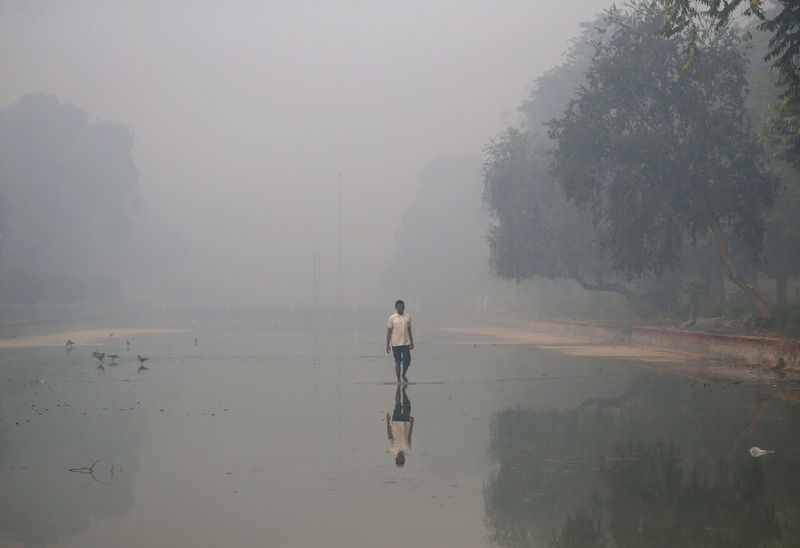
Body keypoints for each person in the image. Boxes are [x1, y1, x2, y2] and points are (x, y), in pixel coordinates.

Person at [386, 299, 414, 384]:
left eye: (402, 306)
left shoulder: (407, 317)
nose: (401, 308)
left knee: (407, 360)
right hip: (396, 344)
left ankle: (403, 374)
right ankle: (398, 379)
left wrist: (412, 341)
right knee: (398, 361)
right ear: (396, 307)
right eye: (399, 306)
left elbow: (409, 329)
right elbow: (389, 332)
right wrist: (387, 344)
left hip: (406, 343)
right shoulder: (392, 318)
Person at [386, 385, 414, 466]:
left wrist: (387, 422)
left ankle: (398, 388)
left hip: (396, 422)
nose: (401, 458)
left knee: (398, 404)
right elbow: (409, 435)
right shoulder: (408, 448)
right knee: (407, 405)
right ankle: (403, 391)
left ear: (396, 459)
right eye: (402, 459)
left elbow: (389, 435)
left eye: (399, 459)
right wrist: (412, 424)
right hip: (406, 423)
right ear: (404, 459)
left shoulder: (392, 448)